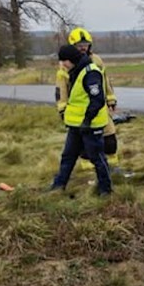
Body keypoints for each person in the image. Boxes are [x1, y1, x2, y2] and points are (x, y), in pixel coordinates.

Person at [50, 44, 113, 197]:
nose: (63, 65)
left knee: (96, 158)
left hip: (91, 125)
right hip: (76, 125)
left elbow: (97, 100)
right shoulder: (75, 72)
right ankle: (58, 186)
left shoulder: (91, 73)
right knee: (68, 156)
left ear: (71, 59)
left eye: (64, 61)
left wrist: (87, 120)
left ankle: (105, 189)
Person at [55, 27, 121, 169]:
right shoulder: (66, 65)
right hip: (79, 110)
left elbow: (105, 80)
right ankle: (88, 166)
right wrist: (62, 108)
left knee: (109, 135)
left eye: (85, 45)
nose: (83, 48)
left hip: (99, 105)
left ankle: (112, 165)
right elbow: (61, 90)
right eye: (79, 46)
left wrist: (111, 99)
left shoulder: (96, 60)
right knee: (84, 139)